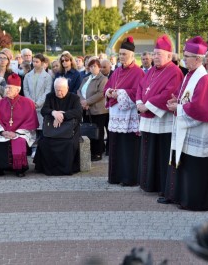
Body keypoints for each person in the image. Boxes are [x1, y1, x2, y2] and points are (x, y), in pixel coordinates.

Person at [159, 36, 208, 210]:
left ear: (198, 58)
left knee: (194, 168)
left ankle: (195, 201)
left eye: (187, 56)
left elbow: (200, 108)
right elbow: (185, 98)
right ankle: (181, 197)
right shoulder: (190, 75)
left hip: (197, 131)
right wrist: (175, 101)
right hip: (185, 129)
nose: (184, 59)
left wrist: (178, 108)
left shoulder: (202, 78)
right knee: (183, 163)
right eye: (184, 55)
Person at [136, 35, 184, 194]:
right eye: (154, 54)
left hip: (163, 122)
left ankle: (162, 186)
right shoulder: (151, 71)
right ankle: (148, 184)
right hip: (147, 118)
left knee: (161, 153)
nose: (154, 57)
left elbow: (168, 93)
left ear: (169, 56)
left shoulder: (174, 72)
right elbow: (141, 87)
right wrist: (138, 103)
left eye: (158, 54)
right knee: (148, 152)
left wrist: (147, 106)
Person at [0, 74, 38, 178]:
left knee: (18, 140)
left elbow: (31, 122)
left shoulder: (28, 103)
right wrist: (2, 132)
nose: (7, 90)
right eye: (6, 87)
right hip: (3, 132)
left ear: (17, 90)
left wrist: (16, 133)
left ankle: (19, 168)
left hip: (20, 133)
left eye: (10, 88)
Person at [105, 37, 145, 186]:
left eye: (124, 54)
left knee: (128, 148)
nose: (121, 57)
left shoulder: (138, 72)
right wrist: (109, 92)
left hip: (129, 116)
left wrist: (119, 93)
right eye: (120, 54)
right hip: (116, 115)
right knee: (115, 145)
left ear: (132, 55)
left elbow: (137, 93)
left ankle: (129, 178)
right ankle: (115, 176)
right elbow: (107, 87)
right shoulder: (116, 71)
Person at [34, 77, 82, 175]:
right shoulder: (50, 96)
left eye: (61, 90)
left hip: (69, 128)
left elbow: (78, 112)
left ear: (67, 88)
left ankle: (66, 169)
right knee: (44, 142)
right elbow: (44, 110)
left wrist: (62, 115)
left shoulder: (74, 98)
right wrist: (53, 112)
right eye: (57, 90)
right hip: (52, 128)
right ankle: (46, 168)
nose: (59, 93)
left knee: (69, 143)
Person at [78, 59, 108, 161]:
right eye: (91, 66)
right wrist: (83, 101)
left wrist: (87, 102)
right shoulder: (86, 78)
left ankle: (98, 153)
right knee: (88, 131)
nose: (92, 68)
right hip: (86, 109)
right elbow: (79, 90)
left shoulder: (102, 79)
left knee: (97, 132)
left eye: (95, 66)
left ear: (99, 67)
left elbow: (101, 93)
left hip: (98, 110)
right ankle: (89, 151)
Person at [23, 53, 52, 153]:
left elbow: (47, 91)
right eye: (33, 61)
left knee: (41, 129)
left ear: (42, 63)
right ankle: (31, 149)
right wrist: (30, 102)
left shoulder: (47, 77)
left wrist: (38, 103)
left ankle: (39, 150)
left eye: (37, 62)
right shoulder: (28, 75)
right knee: (31, 129)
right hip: (30, 106)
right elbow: (25, 90)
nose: (34, 64)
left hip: (41, 106)